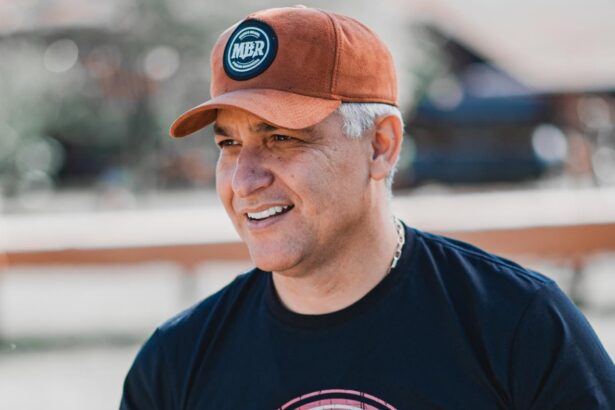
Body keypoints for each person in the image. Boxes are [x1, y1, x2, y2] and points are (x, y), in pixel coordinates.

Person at [120, 6, 615, 409]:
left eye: (283, 137)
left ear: (381, 146)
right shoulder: (174, 365)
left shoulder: (518, 327)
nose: (245, 179)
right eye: (228, 144)